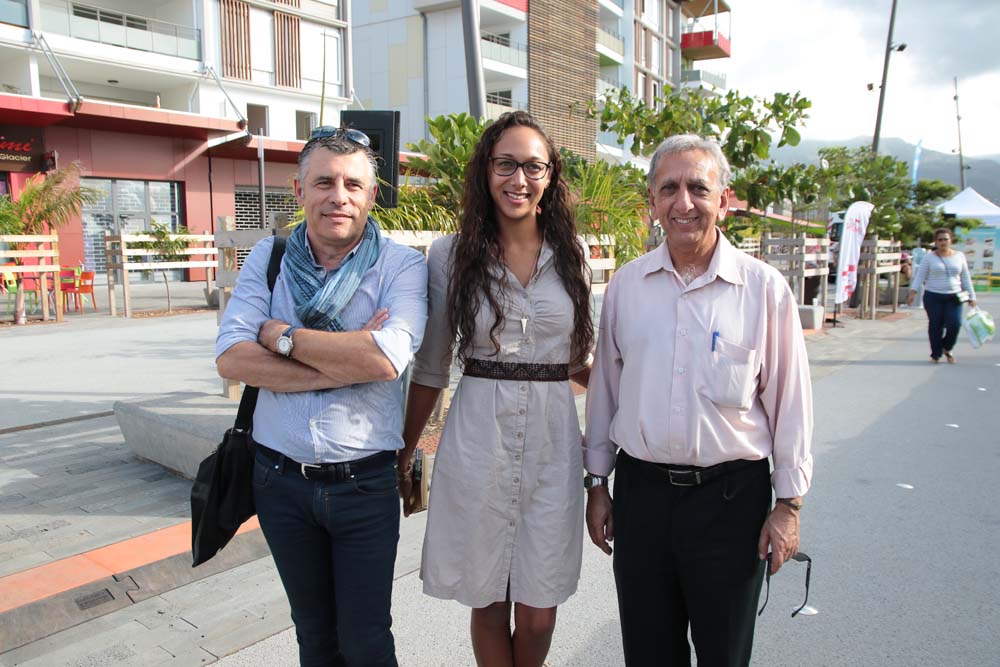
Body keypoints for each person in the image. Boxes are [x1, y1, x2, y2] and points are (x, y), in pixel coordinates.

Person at [584, 134, 814, 666]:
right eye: (669, 188)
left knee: (724, 655)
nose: (683, 202)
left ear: (723, 201)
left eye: (697, 188)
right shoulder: (626, 287)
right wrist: (598, 485)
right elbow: (605, 396)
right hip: (642, 499)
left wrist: (788, 505)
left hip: (731, 505)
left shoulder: (763, 290)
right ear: (652, 202)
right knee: (647, 653)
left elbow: (791, 404)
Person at [215, 126, 428, 667]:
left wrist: (281, 337)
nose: (340, 196)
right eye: (325, 182)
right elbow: (233, 359)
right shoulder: (270, 256)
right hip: (279, 483)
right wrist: (347, 360)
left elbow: (385, 359)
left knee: (366, 640)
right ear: (299, 190)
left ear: (372, 195)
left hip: (365, 485)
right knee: (313, 636)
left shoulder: (400, 266)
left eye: (354, 184)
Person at [399, 111, 593, 667]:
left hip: (555, 442)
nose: (519, 179)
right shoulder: (450, 254)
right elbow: (432, 365)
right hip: (478, 437)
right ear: (487, 170)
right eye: (506, 164)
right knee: (487, 597)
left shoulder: (572, 256)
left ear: (551, 175)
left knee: (539, 609)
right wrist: (406, 448)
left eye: (534, 166)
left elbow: (578, 361)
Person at [906, 227, 976, 363]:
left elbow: (965, 277)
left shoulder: (959, 256)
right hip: (933, 296)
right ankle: (935, 354)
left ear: (951, 240)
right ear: (935, 242)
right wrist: (912, 293)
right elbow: (920, 276)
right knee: (935, 325)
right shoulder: (929, 258)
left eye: (946, 239)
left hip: (954, 296)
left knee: (954, 324)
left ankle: (947, 347)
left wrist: (972, 296)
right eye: (940, 240)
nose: (943, 242)